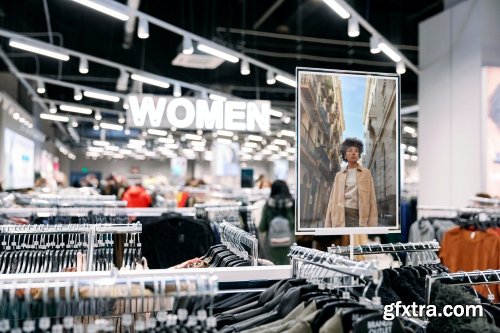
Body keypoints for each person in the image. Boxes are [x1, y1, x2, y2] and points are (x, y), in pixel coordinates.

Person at [325, 137, 378, 228]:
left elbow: (372, 199)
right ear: (345, 154)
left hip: (359, 215)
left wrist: (372, 226)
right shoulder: (339, 175)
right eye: (349, 150)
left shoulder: (366, 173)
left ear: (359, 154)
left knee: (358, 241)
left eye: (356, 151)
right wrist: (328, 225)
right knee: (344, 241)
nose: (353, 153)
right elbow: (332, 200)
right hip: (341, 214)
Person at [259, 180, 295, 264]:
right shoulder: (292, 204)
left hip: (271, 243)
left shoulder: (268, 204)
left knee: (272, 271)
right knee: (288, 271)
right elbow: (294, 224)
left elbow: (262, 227)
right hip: (289, 243)